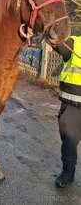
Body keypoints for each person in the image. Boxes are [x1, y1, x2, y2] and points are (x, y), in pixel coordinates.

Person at [53, 35, 81, 188]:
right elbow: (59, 46)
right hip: (73, 104)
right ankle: (68, 172)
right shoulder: (74, 43)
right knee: (69, 140)